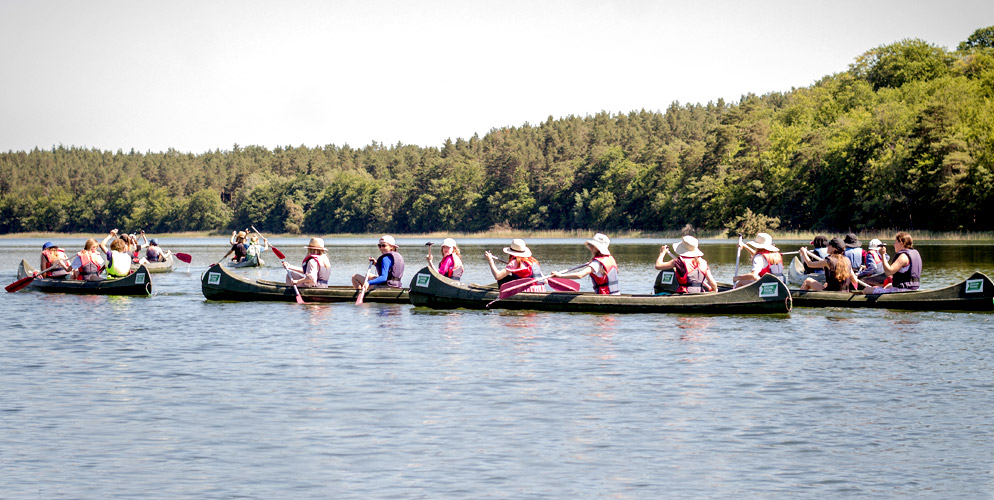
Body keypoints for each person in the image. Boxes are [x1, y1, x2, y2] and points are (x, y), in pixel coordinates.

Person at [550, 233, 620, 294]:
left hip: (604, 296)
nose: (591, 248)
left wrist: (560, 276)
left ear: (599, 248)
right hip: (615, 294)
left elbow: (580, 275)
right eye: (591, 245)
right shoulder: (610, 259)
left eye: (594, 246)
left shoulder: (596, 263)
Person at [799, 237, 869, 291]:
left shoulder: (828, 261)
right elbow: (855, 280)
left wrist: (804, 253)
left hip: (831, 292)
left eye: (829, 245)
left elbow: (810, 264)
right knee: (826, 284)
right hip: (845, 292)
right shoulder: (847, 260)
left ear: (834, 248)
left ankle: (795, 300)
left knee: (808, 280)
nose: (827, 247)